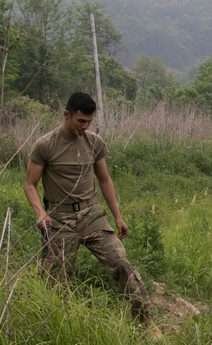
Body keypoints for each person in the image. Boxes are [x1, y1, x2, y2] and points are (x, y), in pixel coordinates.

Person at [24, 92, 155, 329]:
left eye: (89, 122)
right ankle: (58, 331)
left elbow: (104, 180)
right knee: (56, 282)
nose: (85, 127)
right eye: (80, 121)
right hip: (59, 220)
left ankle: (145, 325)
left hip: (92, 215)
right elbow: (29, 184)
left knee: (122, 265)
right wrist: (40, 213)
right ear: (67, 115)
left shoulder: (93, 142)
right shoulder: (45, 145)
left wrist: (117, 216)